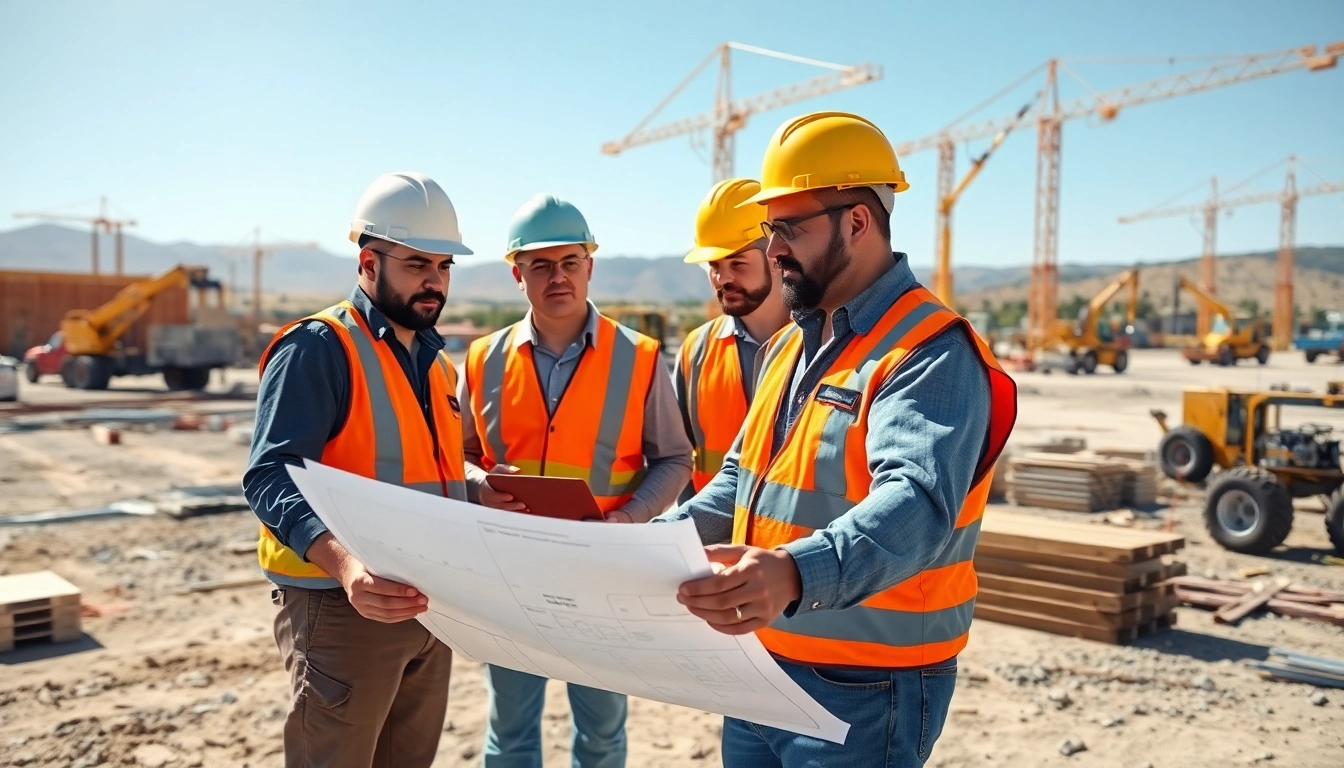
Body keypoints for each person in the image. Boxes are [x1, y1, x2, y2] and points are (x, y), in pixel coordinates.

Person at [654, 112, 1019, 766]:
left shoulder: (930, 350)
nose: (773, 251)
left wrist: (794, 573)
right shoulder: (792, 344)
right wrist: (649, 542)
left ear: (857, 221)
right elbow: (740, 483)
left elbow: (916, 505)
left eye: (789, 228)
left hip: (866, 684)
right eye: (770, 230)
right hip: (761, 663)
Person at [242, 171, 472, 767]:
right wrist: (347, 569)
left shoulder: (435, 362)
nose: (434, 281)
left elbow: (415, 471)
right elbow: (269, 476)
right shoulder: (318, 347)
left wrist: (481, 489)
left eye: (444, 266)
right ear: (369, 262)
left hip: (428, 606)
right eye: (418, 263)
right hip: (343, 609)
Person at [458, 194, 693, 768]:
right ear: (518, 274)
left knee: (603, 732)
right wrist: (476, 483)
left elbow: (675, 459)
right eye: (540, 265)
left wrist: (632, 517)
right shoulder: (482, 358)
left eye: (569, 262)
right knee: (508, 729)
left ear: (590, 265)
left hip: (601, 575)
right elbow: (456, 455)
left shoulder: (638, 357)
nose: (557, 276)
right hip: (509, 570)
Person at [675, 177, 790, 500]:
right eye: (714, 265)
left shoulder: (824, 341)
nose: (722, 278)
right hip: (710, 544)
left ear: (777, 256)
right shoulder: (697, 350)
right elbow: (678, 459)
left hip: (792, 547)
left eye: (738, 263)